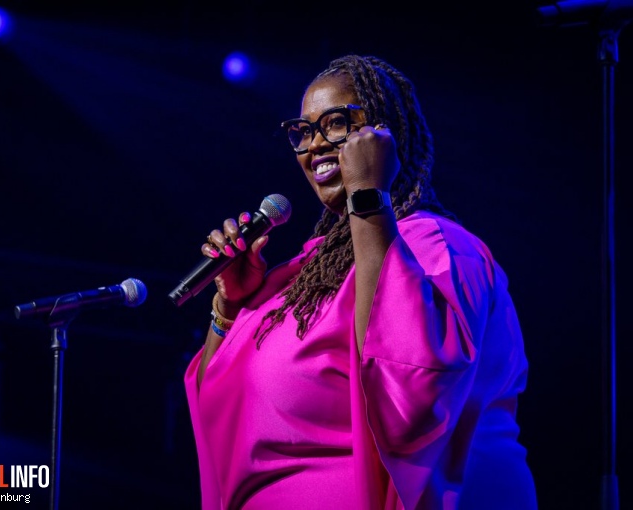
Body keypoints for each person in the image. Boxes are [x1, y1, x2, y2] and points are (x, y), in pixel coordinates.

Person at [183, 54, 538, 510]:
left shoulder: (439, 247)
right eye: (303, 131)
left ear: (384, 136)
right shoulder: (304, 272)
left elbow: (412, 394)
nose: (314, 146)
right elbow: (221, 404)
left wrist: (369, 197)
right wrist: (231, 308)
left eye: (335, 123)